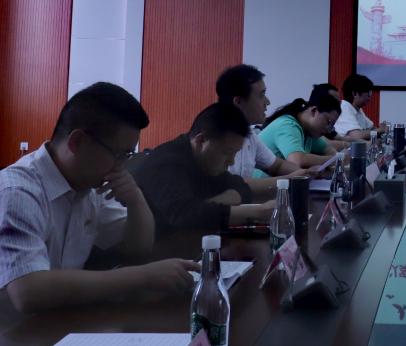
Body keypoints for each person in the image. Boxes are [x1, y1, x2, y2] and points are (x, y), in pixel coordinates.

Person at [0, 83, 198, 314]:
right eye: (118, 154)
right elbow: (28, 292)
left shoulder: (88, 185)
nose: (121, 166)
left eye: (127, 155)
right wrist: (143, 277)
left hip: (54, 318)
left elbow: (138, 249)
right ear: (77, 142)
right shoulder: (18, 191)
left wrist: (136, 200)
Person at [132, 103, 274, 237]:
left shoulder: (205, 160)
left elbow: (240, 186)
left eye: (234, 154)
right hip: (157, 246)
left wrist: (214, 204)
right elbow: (183, 216)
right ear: (201, 141)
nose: (231, 161)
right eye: (227, 153)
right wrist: (256, 212)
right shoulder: (167, 163)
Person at [216, 64, 302, 196]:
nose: (268, 102)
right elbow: (232, 186)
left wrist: (306, 174)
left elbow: (276, 166)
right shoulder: (214, 137)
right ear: (238, 102)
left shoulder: (249, 134)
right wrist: (291, 179)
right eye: (262, 95)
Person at [259, 96, 340, 170]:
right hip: (259, 179)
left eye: (331, 126)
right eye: (328, 122)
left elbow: (328, 149)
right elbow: (297, 160)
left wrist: (334, 158)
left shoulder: (309, 132)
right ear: (314, 110)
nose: (329, 130)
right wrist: (333, 160)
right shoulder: (287, 125)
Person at [335, 74, 375, 141]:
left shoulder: (357, 109)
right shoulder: (344, 107)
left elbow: (371, 128)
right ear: (355, 94)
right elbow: (356, 136)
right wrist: (380, 130)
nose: (369, 98)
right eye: (368, 94)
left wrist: (378, 131)